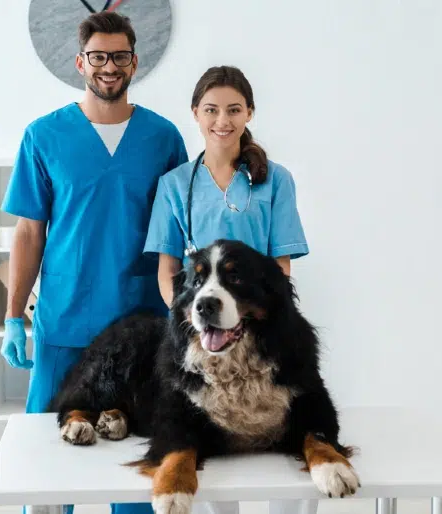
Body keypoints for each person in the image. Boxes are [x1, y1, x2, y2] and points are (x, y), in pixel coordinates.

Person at [0, 10, 189, 514]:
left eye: (120, 56)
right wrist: (13, 316)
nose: (110, 66)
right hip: (66, 322)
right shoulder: (44, 136)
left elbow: (176, 234)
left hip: (141, 326)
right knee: (45, 465)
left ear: (135, 61)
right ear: (81, 62)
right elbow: (28, 232)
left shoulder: (163, 138)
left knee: (133, 465)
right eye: (99, 56)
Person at [143, 65, 315, 514]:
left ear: (249, 113)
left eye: (234, 110)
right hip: (202, 323)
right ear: (196, 115)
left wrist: (269, 318)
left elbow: (280, 266)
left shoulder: (275, 179)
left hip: (255, 323)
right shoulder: (175, 184)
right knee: (214, 448)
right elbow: (168, 271)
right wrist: (190, 326)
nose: (223, 120)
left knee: (285, 429)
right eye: (212, 109)